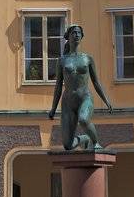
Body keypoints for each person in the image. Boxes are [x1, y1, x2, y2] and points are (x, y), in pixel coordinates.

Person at [48, 23, 114, 151]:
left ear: (82, 36)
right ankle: (85, 138)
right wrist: (53, 108)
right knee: (68, 145)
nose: (76, 35)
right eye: (74, 32)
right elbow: (58, 86)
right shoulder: (62, 60)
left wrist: (106, 101)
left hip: (85, 98)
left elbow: (96, 82)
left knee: (83, 120)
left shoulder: (87, 58)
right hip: (68, 102)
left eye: (79, 32)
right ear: (68, 36)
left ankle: (95, 143)